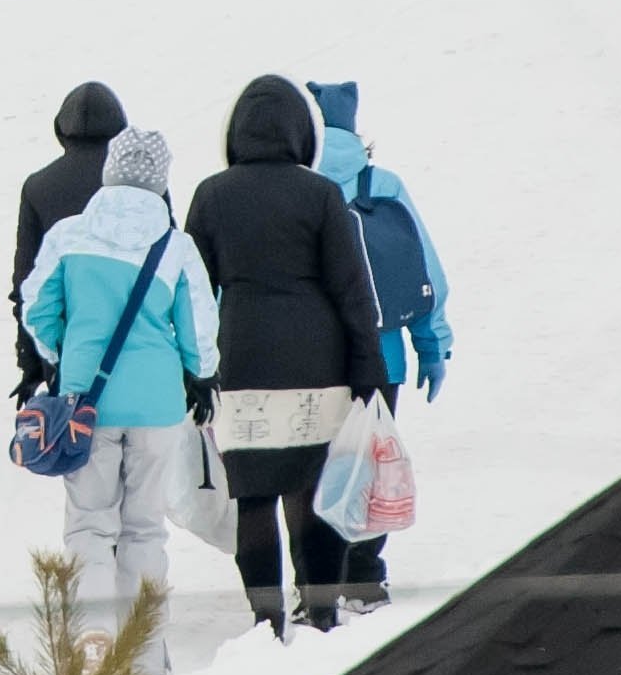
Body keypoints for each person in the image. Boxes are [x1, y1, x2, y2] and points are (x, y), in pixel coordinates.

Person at [183, 78, 392, 636]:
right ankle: (319, 606)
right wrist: (367, 366)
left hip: (242, 357)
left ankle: (265, 616)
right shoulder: (320, 193)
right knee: (309, 485)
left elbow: (191, 292)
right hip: (315, 359)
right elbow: (352, 289)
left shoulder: (210, 195)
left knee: (252, 494)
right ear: (301, 132)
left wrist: (191, 369)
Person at [19, 124, 218, 675]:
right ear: (160, 182)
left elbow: (37, 308)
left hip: (88, 403)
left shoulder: (68, 235)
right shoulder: (175, 247)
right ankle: (147, 656)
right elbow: (200, 329)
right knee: (145, 529)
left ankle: (93, 639)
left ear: (109, 172)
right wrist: (199, 375)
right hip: (157, 407)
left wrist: (66, 354)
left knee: (89, 525)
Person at [307, 79, 453, 405]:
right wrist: (433, 347)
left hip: (308, 363)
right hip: (382, 359)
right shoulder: (384, 185)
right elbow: (424, 272)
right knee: (374, 454)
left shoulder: (292, 189)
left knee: (320, 457)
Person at [11, 81, 129, 394]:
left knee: (80, 440)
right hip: (136, 341)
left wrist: (32, 364)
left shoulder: (38, 187)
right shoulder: (139, 186)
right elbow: (171, 270)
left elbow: (27, 284)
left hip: (67, 347)